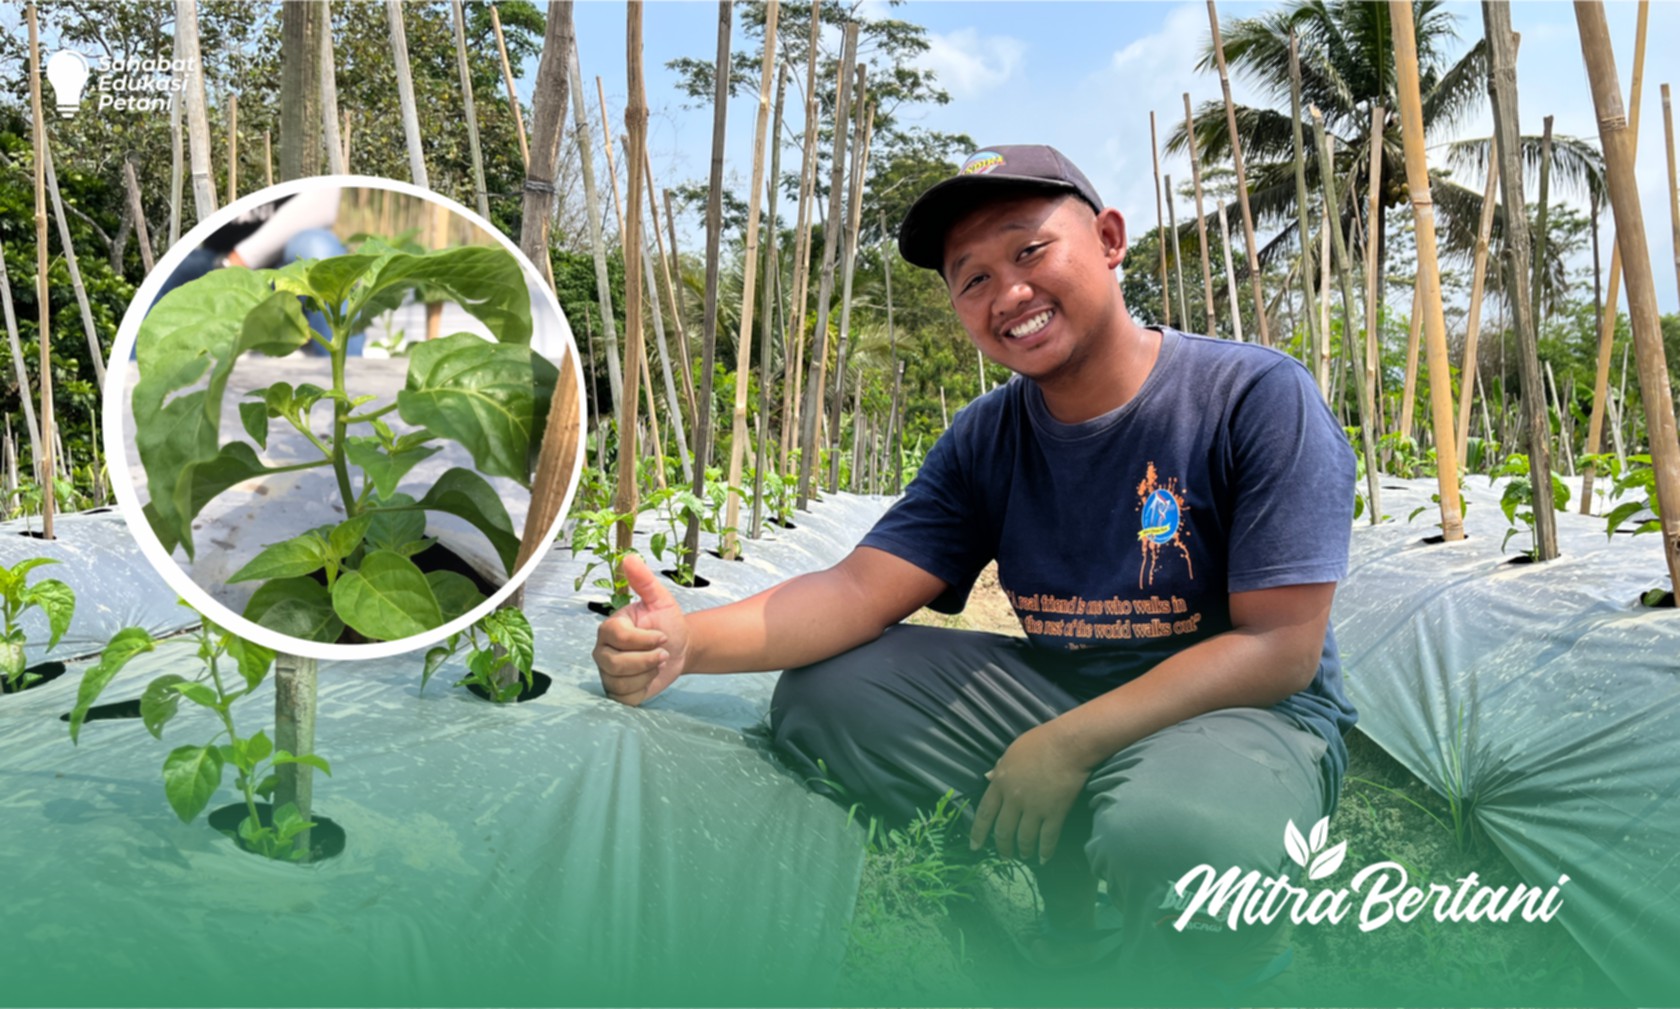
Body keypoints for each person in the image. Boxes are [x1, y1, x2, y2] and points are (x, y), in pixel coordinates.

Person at [592, 145, 1357, 992]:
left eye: (1029, 252)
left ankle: (1216, 962)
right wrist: (684, 642)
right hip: (1071, 687)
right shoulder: (988, 437)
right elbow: (856, 589)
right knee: (828, 694)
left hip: (1242, 713)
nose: (1009, 294)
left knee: (1179, 829)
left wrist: (1065, 744)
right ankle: (1074, 900)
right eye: (974, 279)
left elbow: (1280, 645)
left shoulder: (1252, 396)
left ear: (1108, 238)